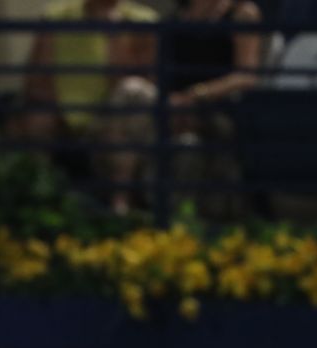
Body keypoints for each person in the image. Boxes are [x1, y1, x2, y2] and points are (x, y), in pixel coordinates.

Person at [15, 0, 160, 215]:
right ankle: (37, 200)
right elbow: (37, 76)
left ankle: (120, 202)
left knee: (134, 94)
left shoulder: (141, 21)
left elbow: (148, 78)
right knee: (38, 118)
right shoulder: (58, 16)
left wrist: (114, 38)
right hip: (63, 115)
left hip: (112, 118)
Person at [166, 0, 263, 219]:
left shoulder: (241, 14)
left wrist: (196, 96)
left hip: (218, 110)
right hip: (174, 111)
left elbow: (246, 76)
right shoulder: (178, 14)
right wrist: (173, 101)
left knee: (188, 144)